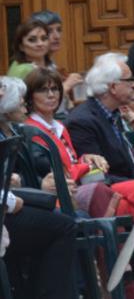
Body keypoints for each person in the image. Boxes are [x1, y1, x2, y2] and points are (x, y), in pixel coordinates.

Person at [23, 67, 134, 216]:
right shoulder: (31, 130)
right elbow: (56, 173)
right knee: (129, 194)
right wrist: (87, 165)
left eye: (55, 89)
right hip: (60, 196)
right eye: (42, 90)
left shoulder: (59, 127)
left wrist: (86, 158)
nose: (51, 95)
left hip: (80, 186)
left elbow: (71, 163)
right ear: (30, 96)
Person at [0, 76, 78, 299]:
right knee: (65, 226)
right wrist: (12, 200)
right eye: (20, 101)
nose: (25, 105)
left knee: (54, 217)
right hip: (6, 209)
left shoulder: (13, 131)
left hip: (13, 203)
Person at [64, 52, 134, 180]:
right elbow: (96, 176)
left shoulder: (116, 113)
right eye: (129, 80)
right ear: (113, 87)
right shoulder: (82, 122)